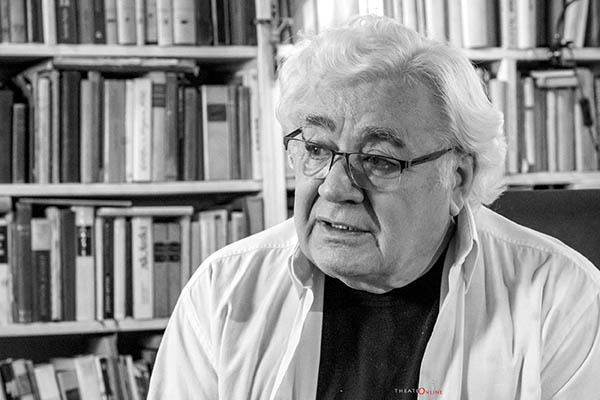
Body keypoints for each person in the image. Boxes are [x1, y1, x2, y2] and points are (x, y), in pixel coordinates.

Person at [147, 15, 600, 399]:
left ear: (458, 177)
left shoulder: (561, 299)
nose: (336, 188)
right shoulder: (224, 290)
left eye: (379, 160)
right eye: (316, 149)